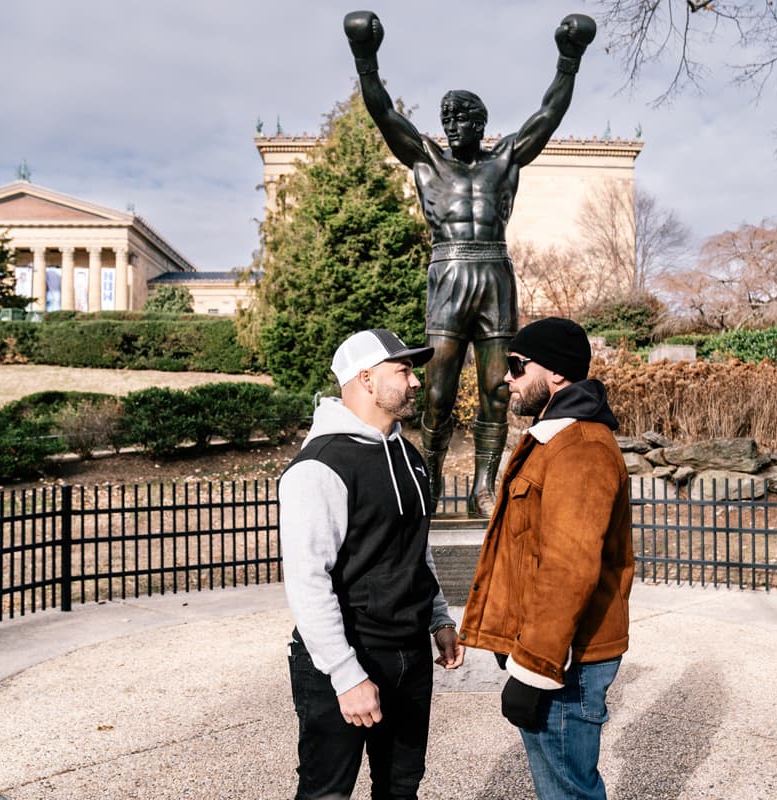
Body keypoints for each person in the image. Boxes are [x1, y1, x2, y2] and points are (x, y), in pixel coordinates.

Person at [343, 10, 598, 516]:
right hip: (449, 273)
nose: (451, 125)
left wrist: (569, 60)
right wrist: (365, 59)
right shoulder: (426, 160)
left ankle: (484, 486)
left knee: (497, 389)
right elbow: (383, 113)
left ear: (479, 123)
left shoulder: (504, 160)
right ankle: (432, 478)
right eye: (446, 118)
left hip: (494, 274)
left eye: (460, 117)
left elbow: (547, 115)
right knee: (436, 391)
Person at [279, 328, 465, 800]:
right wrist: (346, 675)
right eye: (403, 371)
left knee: (401, 787)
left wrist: (438, 617)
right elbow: (307, 582)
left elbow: (413, 547)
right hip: (347, 658)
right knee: (327, 793)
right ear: (365, 378)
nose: (416, 382)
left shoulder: (408, 453)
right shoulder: (319, 465)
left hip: (410, 654)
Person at [458, 317, 634, 800]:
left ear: (555, 373)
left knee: (568, 792)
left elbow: (569, 568)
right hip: (554, 652)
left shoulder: (579, 447)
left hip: (565, 662)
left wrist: (534, 669)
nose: (507, 379)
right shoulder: (555, 439)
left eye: (516, 366)